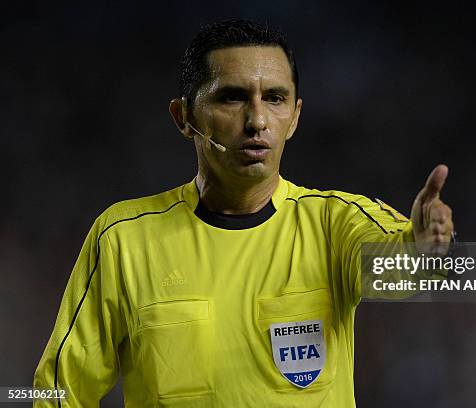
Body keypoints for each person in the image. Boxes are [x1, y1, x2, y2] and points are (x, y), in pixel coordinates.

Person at [34, 19, 454, 407]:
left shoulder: (333, 224)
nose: (257, 120)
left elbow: (403, 268)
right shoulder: (123, 239)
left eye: (274, 98)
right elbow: (56, 389)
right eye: (232, 97)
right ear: (184, 117)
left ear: (294, 118)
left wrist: (428, 248)